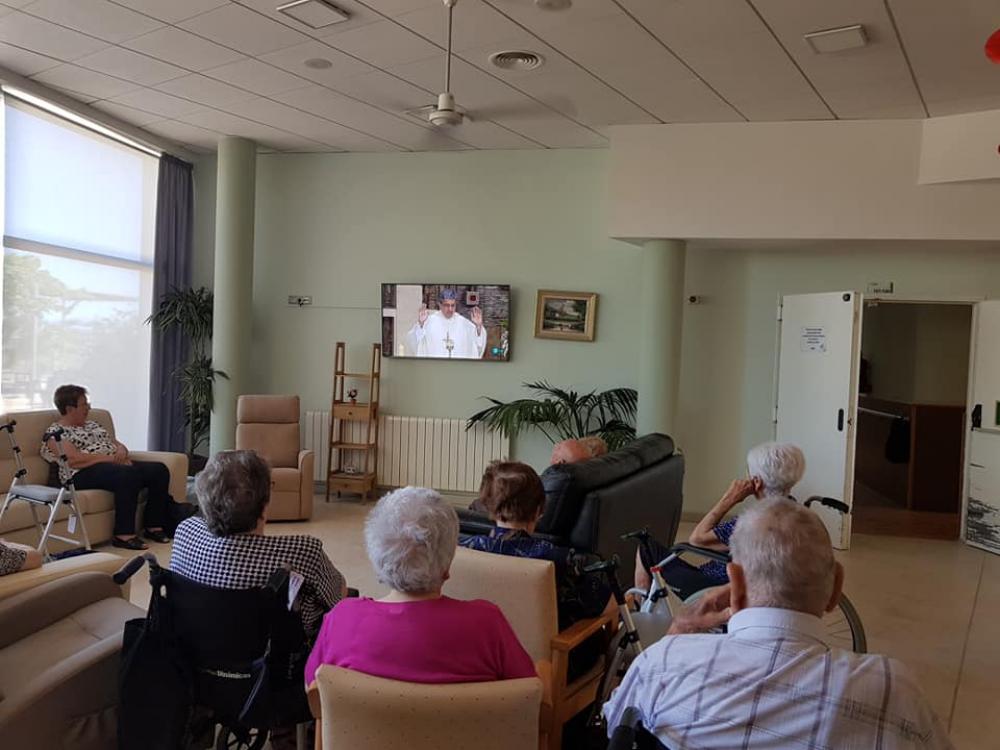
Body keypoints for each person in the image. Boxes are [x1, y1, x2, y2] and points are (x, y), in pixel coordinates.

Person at [604, 498, 953, 749]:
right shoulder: (892, 689)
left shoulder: (663, 662)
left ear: (735, 583)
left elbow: (614, 724)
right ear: (836, 588)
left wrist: (677, 634)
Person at [305, 486, 535, 686]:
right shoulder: (487, 623)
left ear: (377, 559)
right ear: (447, 566)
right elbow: (530, 693)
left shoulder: (342, 619)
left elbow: (313, 687)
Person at [171, 450, 346, 637]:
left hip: (194, 647)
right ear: (263, 505)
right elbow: (338, 598)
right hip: (277, 654)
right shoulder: (303, 552)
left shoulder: (185, 531)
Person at [634, 441, 805, 598]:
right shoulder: (798, 514)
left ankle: (639, 612)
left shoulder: (750, 523)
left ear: (756, 482)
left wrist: (729, 498)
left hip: (718, 585)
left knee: (646, 549)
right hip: (757, 585)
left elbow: (697, 540)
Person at [461, 461, 612, 629]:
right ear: (539, 510)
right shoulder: (555, 558)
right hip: (541, 646)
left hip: (478, 643)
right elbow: (608, 605)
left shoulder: (465, 550)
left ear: (489, 507)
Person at [41, 384, 173, 550]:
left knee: (158, 470)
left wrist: (121, 451)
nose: (88, 408)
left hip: (112, 465)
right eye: (84, 404)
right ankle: (123, 535)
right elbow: (73, 460)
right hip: (80, 473)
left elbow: (115, 443)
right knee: (126, 474)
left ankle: (154, 526)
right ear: (69, 409)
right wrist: (111, 459)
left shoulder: (93, 425)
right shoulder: (55, 433)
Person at [405, 288, 486, 359]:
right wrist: (421, 324)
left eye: (453, 305)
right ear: (440, 305)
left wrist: (478, 326)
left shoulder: (464, 323)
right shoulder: (429, 321)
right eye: (447, 305)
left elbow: (477, 345)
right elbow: (415, 343)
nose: (450, 309)